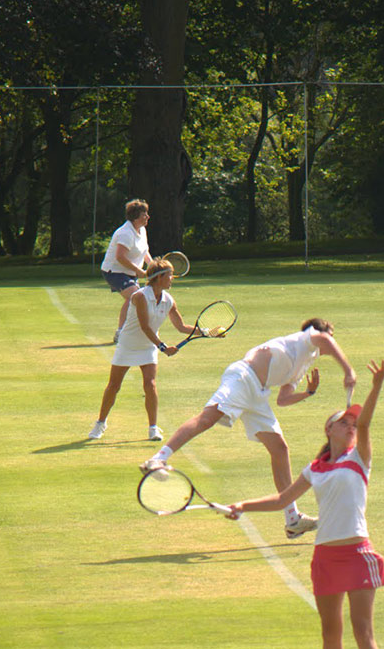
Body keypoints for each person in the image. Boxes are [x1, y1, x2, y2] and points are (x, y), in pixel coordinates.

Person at [226, 359, 384, 649]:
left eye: (353, 423)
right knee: (330, 630)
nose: (351, 425)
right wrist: (243, 506)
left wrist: (376, 385)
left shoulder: (360, 459)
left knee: (363, 630)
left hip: (357, 553)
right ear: (329, 429)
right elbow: (283, 498)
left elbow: (366, 422)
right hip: (326, 557)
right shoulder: (315, 469)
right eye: (344, 422)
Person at [141, 319, 357, 539]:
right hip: (243, 376)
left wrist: (308, 393)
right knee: (208, 419)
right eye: (330, 335)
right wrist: (348, 371)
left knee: (279, 449)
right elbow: (324, 339)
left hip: (258, 393)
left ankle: (292, 519)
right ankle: (158, 459)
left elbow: (283, 399)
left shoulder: (304, 362)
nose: (331, 341)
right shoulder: (305, 339)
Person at [88, 259, 197, 442]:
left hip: (148, 347)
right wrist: (163, 347)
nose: (172, 279)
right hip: (128, 345)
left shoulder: (169, 300)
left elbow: (182, 327)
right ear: (160, 277)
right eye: (170, 275)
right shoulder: (139, 296)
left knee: (150, 384)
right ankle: (100, 423)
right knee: (114, 386)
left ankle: (153, 428)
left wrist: (208, 332)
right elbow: (145, 326)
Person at [100, 198, 151, 344]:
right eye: (144, 214)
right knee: (135, 296)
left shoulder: (142, 230)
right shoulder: (125, 233)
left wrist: (152, 265)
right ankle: (120, 333)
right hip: (113, 271)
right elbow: (120, 257)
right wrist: (139, 271)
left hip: (129, 272)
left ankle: (131, 331)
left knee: (138, 299)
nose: (147, 217)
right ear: (135, 217)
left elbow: (144, 251)